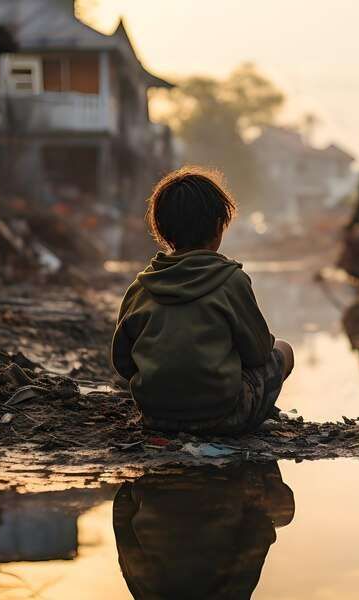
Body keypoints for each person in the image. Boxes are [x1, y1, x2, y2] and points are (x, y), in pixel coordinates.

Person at [111, 166, 295, 435]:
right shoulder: (231, 280)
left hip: (155, 418)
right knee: (284, 349)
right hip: (224, 418)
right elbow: (258, 352)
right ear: (219, 227)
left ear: (163, 233)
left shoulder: (141, 286)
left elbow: (123, 362)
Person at [113, 462, 294, 600]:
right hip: (153, 478)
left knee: (283, 513)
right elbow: (122, 513)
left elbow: (258, 531)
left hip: (227, 476)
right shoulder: (144, 594)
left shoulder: (232, 595)